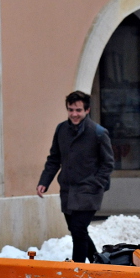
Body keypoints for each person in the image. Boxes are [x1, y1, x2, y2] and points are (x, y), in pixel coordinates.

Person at [37, 91, 115, 263]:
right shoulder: (61, 129)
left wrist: (97, 183)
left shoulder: (98, 133)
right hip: (68, 190)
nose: (74, 114)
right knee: (77, 230)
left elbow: (108, 163)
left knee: (78, 229)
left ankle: (77, 269)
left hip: (89, 191)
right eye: (71, 110)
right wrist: (44, 181)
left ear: (87, 110)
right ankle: (98, 262)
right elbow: (54, 158)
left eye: (78, 110)